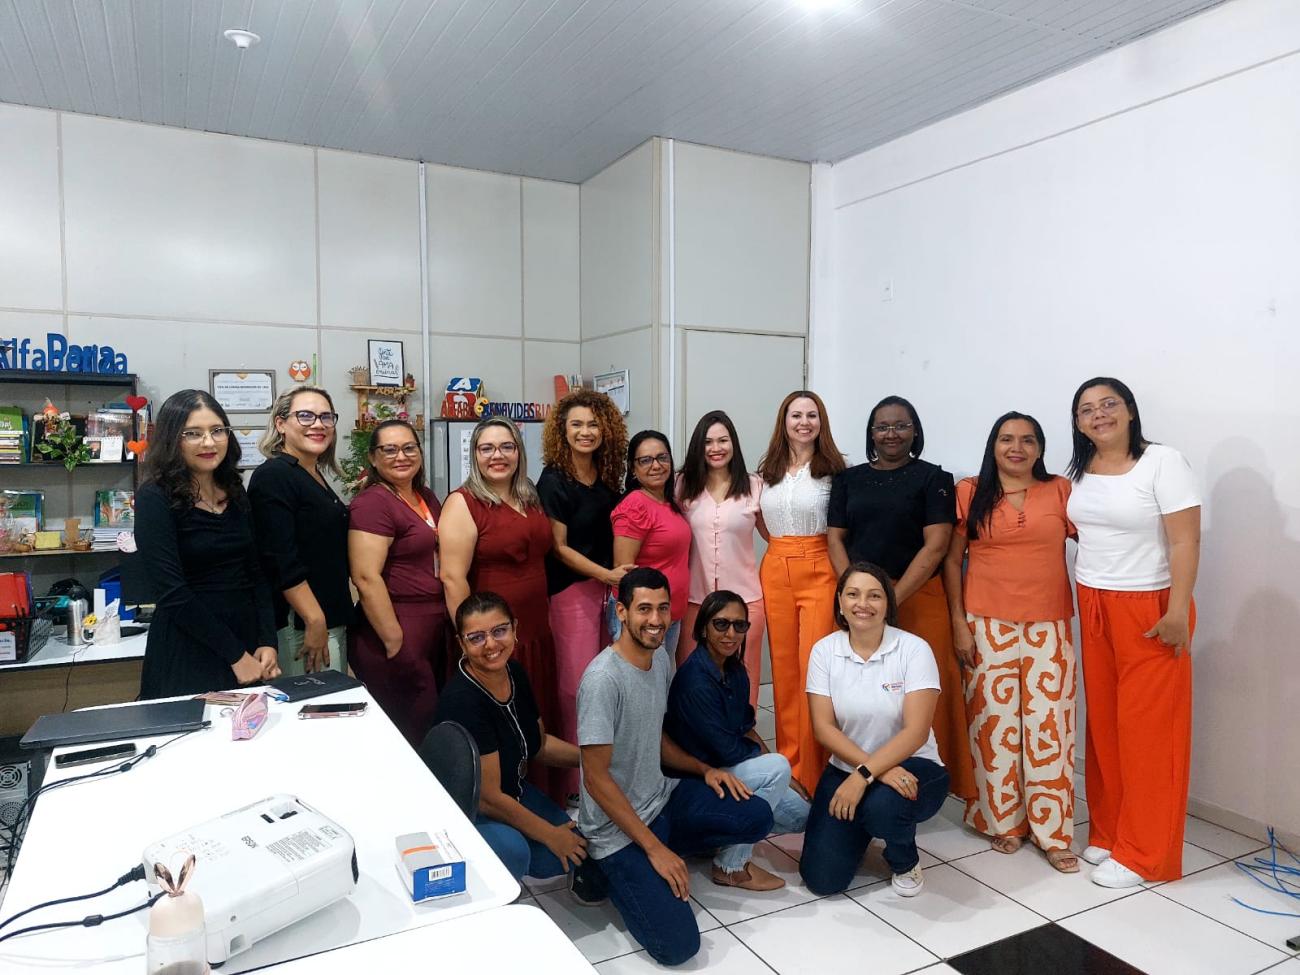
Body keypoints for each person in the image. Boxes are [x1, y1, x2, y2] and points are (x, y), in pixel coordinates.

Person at [578, 567, 774, 966]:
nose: (655, 619)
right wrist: (654, 850)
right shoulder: (602, 680)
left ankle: (662, 853)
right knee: (678, 947)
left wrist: (704, 770)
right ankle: (600, 870)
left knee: (756, 816)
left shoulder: (660, 661)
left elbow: (656, 738)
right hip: (616, 830)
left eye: (663, 608)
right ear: (622, 611)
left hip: (662, 799)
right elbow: (596, 780)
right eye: (644, 609)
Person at [1066, 378, 1200, 888]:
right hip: (1094, 603)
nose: (1098, 414)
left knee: (1149, 733)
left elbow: (1186, 541)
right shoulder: (1082, 469)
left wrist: (1178, 609)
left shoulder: (1163, 462)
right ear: (1078, 423)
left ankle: (1146, 854)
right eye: (1087, 409)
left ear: (1128, 410)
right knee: (1105, 725)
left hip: (1150, 607)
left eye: (1108, 404)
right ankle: (1110, 831)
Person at [942, 412, 1079, 872]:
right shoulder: (969, 491)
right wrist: (958, 622)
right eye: (1006, 439)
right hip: (985, 623)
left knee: (1049, 727)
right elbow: (952, 560)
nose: (1016, 448)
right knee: (994, 725)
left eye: (1027, 440)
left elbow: (1098, 540)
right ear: (993, 445)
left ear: (1040, 448)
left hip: (1049, 624)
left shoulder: (1061, 490)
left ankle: (1053, 832)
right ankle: (1002, 821)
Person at [827, 395, 974, 800]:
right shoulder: (848, 480)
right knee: (862, 687)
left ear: (915, 431)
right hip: (861, 600)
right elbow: (835, 539)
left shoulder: (934, 479)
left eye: (900, 425)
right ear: (871, 434)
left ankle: (929, 780)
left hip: (919, 595)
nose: (891, 433)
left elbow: (936, 546)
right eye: (882, 427)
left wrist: (889, 598)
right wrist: (854, 593)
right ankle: (863, 770)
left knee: (925, 689)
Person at [434, 591, 605, 897]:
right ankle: (490, 897)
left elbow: (538, 744)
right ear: (461, 644)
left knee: (570, 850)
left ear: (515, 628)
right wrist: (550, 835)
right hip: (468, 808)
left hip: (510, 791)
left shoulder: (515, 672)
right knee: (519, 852)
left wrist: (593, 758)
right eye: (476, 637)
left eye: (499, 631)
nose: (491, 644)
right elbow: (487, 798)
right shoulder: (463, 700)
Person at [799, 563, 949, 898]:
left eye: (874, 596)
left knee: (883, 809)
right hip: (850, 768)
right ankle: (862, 827)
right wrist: (871, 772)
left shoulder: (913, 649)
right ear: (840, 602)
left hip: (913, 765)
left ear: (888, 604)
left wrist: (865, 774)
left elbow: (916, 732)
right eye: (853, 594)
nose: (862, 604)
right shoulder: (825, 651)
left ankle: (904, 859)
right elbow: (824, 728)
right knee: (822, 880)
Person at [439, 417, 560, 795]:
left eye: (507, 447)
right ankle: (508, 804)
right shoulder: (463, 503)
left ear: (519, 452)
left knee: (533, 719)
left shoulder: (528, 495)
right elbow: (452, 578)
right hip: (493, 638)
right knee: (501, 728)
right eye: (486, 448)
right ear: (474, 455)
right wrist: (474, 642)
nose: (498, 455)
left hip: (535, 629)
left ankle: (542, 799)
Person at [136, 389, 280, 698]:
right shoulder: (154, 498)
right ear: (172, 439)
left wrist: (268, 640)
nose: (209, 442)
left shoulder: (235, 491)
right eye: (193, 433)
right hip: (189, 648)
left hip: (246, 644)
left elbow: (257, 573)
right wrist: (235, 656)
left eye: (217, 430)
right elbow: (172, 593)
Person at [665, 590, 810, 891]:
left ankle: (716, 837)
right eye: (721, 624)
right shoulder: (695, 680)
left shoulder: (734, 669)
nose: (731, 634)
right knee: (777, 767)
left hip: (727, 770)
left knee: (801, 816)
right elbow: (729, 750)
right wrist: (775, 769)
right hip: (696, 779)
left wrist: (785, 777)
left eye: (739, 625)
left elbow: (746, 728)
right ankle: (730, 865)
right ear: (704, 628)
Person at [537, 390, 632, 800]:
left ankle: (604, 772)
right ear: (562, 430)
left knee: (605, 685)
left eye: (593, 424)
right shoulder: (553, 480)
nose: (585, 432)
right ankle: (574, 784)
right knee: (575, 688)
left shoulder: (608, 477)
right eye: (576, 424)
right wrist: (606, 574)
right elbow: (558, 548)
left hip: (607, 594)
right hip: (571, 592)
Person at [756, 390, 846, 793]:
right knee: (784, 669)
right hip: (776, 567)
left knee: (814, 667)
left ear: (821, 422)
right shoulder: (768, 471)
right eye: (796, 415)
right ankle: (788, 765)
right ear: (784, 421)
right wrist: (783, 550)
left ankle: (814, 768)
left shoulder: (835, 472)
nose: (804, 422)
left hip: (820, 568)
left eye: (812, 415)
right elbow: (763, 520)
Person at [348, 419, 446, 745]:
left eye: (408, 448)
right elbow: (365, 576)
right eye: (389, 450)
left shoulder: (424, 496)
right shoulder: (373, 502)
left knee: (431, 720)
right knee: (409, 727)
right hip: (396, 626)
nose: (401, 456)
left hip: (432, 625)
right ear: (373, 458)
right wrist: (394, 641)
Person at [249, 385, 352, 678]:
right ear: (281, 424)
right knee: (314, 702)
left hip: (326, 616)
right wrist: (314, 619)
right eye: (305, 416)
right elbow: (281, 558)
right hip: (302, 624)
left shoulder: (310, 473)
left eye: (326, 417)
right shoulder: (274, 475)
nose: (318, 424)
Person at [677, 411, 767, 703]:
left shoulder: (754, 486)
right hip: (695, 601)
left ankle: (743, 727)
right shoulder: (682, 485)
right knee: (693, 678)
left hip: (745, 601)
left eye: (723, 440)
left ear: (733, 444)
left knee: (744, 676)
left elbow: (776, 536)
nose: (716, 448)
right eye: (708, 442)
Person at [609, 431, 691, 658]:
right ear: (633, 468)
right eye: (645, 460)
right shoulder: (635, 505)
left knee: (661, 677)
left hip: (669, 615)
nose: (656, 465)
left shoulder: (668, 501)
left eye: (662, 457)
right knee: (640, 678)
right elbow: (623, 572)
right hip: (645, 620)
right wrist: (643, 619)